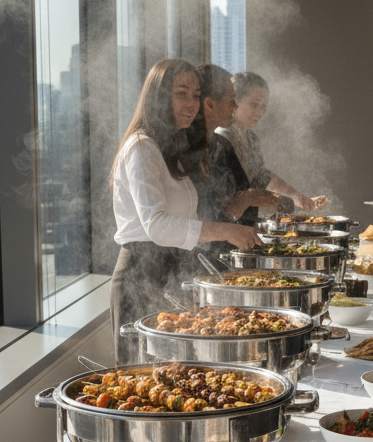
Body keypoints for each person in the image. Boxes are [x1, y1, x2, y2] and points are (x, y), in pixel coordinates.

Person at [110, 59, 261, 360]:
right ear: (158, 96)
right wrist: (227, 230)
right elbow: (157, 225)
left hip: (170, 271)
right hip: (142, 273)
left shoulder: (169, 148)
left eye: (195, 94)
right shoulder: (141, 147)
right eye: (182, 93)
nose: (191, 103)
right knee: (141, 385)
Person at [219, 72, 328, 212]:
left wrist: (300, 199)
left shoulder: (251, 138)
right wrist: (280, 200)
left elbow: (261, 177)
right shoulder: (223, 137)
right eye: (254, 104)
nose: (260, 111)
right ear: (235, 101)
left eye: (264, 105)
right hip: (227, 224)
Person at [190, 64, 281, 226]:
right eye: (231, 100)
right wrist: (247, 199)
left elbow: (251, 187)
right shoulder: (190, 149)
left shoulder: (222, 145)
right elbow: (204, 220)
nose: (235, 106)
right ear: (209, 104)